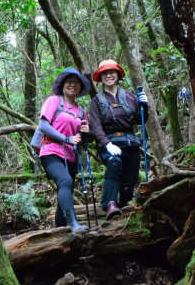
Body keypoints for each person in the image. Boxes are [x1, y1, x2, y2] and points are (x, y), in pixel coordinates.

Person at [89, 59, 148, 220]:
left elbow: (140, 120)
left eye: (111, 72)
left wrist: (144, 106)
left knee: (130, 181)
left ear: (118, 75)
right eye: (104, 73)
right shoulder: (96, 101)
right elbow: (95, 126)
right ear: (100, 78)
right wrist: (106, 144)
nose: (108, 75)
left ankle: (124, 209)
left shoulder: (129, 96)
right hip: (109, 144)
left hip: (131, 143)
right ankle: (109, 204)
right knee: (115, 163)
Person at [38, 68, 91, 234]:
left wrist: (86, 132)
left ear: (80, 88)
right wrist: (66, 139)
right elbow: (43, 126)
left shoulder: (81, 111)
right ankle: (74, 224)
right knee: (65, 182)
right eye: (69, 82)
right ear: (62, 85)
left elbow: (84, 139)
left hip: (71, 157)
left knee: (64, 193)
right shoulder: (54, 101)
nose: (72, 85)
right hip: (51, 152)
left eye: (76, 83)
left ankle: (61, 232)